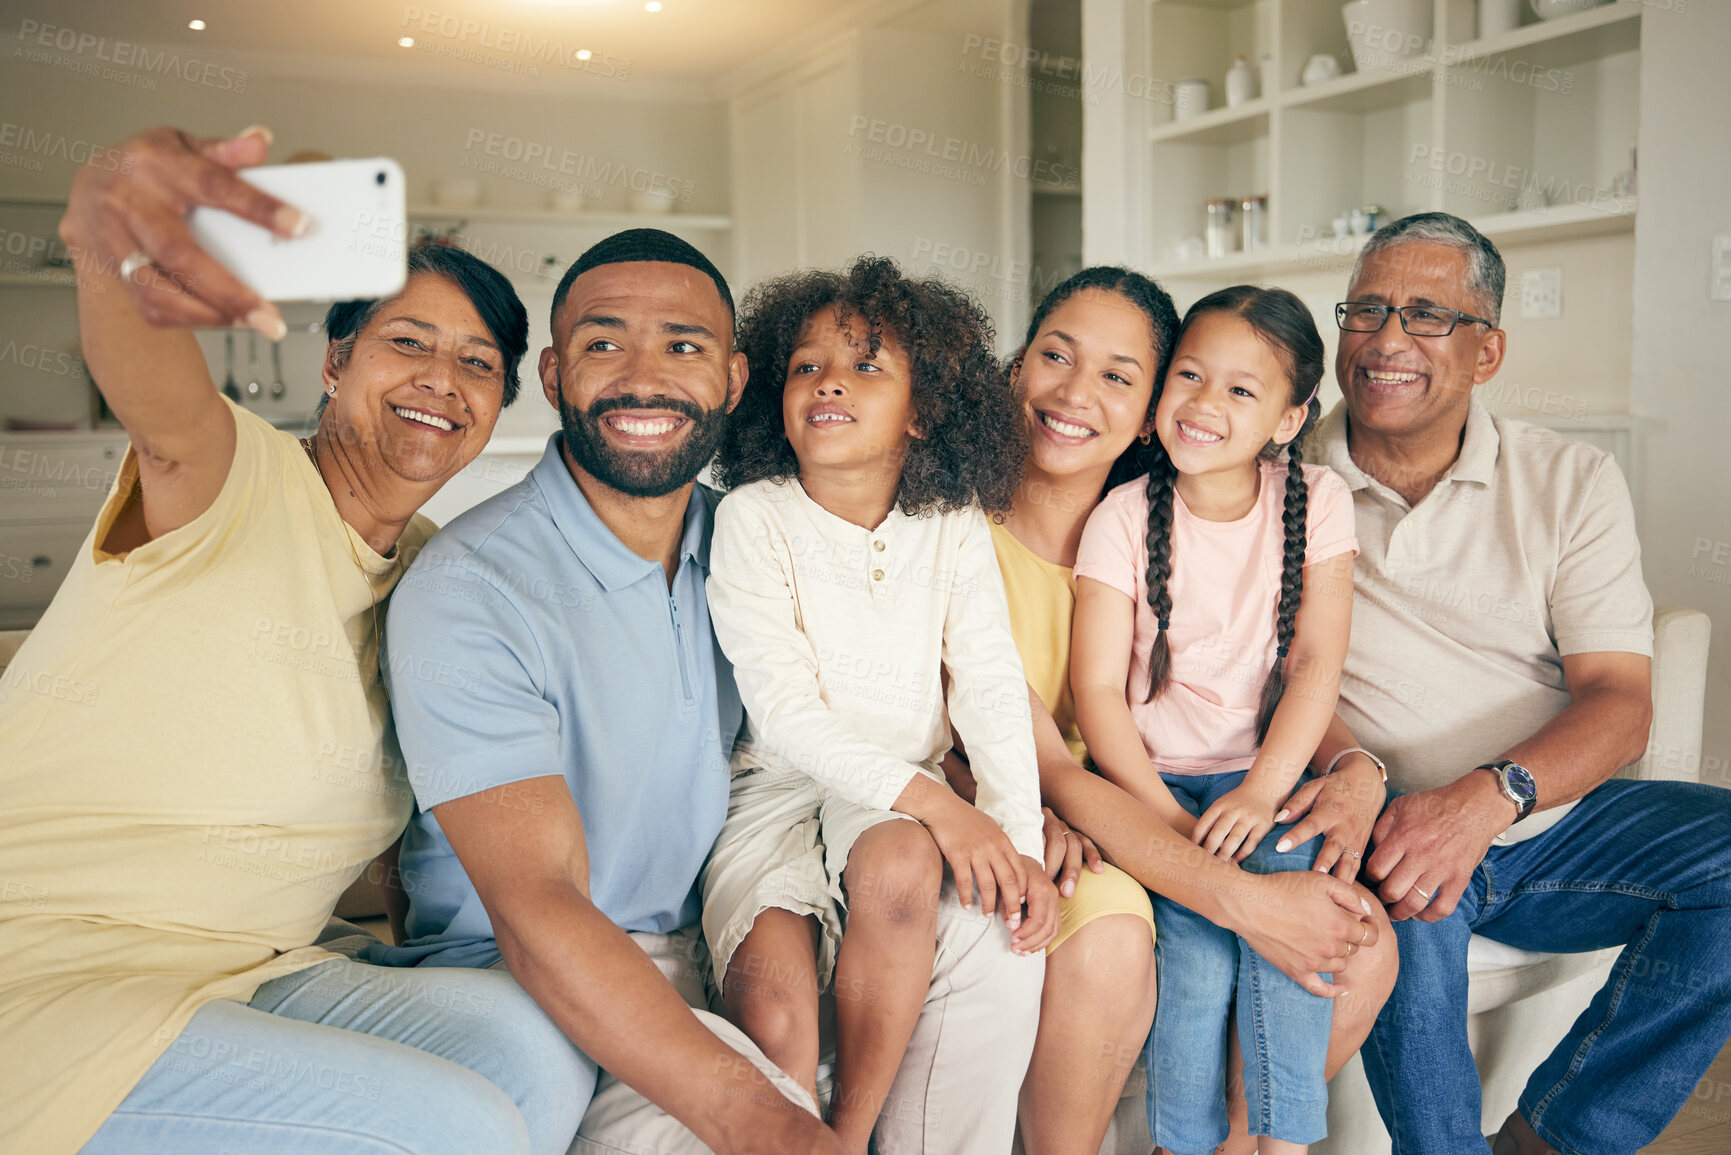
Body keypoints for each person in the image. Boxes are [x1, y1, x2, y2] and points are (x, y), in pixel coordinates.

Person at [0, 125, 585, 1155]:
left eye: (477, 363)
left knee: (535, 1045)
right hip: (56, 965)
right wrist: (109, 226)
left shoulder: (445, 574)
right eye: (408, 342)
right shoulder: (230, 475)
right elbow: (151, 382)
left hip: (261, 964)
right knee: (458, 1128)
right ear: (332, 362)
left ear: (498, 404)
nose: (442, 379)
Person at [945, 267, 1396, 1155]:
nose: (1076, 393)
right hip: (1088, 800)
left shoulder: (1222, 510)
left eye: (1118, 374)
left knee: (1365, 943)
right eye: (1054, 356)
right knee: (1142, 940)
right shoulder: (959, 540)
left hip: (1186, 797)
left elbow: (1278, 670)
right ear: (1015, 366)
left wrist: (1354, 769)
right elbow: (1046, 760)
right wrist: (1230, 889)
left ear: (1145, 402)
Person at [1311, 211, 1731, 1154]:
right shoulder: (1279, 479)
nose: (1385, 340)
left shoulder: (1568, 479)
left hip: (1549, 822)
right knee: (1408, 896)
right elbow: (1257, 679)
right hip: (1380, 824)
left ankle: (1553, 1140)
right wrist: (1381, 787)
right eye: (1366, 309)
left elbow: (1621, 704)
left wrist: (1486, 798)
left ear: (1485, 351)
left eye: (1425, 315)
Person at [700, 256, 1052, 1153]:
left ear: (924, 408)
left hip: (890, 801)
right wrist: (942, 805)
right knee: (776, 1016)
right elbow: (779, 710)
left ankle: (848, 1137)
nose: (827, 382)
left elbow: (988, 684)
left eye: (866, 366)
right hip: (777, 790)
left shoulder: (954, 525)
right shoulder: (753, 516)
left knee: (899, 862)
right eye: (806, 365)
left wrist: (1017, 844)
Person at [1069, 285, 1357, 1155]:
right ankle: (1179, 1146)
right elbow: (1094, 694)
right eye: (1189, 375)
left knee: (1292, 948)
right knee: (1192, 962)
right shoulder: (1120, 516)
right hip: (1150, 787)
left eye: (1241, 389)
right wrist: (1166, 820)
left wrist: (1265, 793)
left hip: (1266, 785)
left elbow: (1315, 664)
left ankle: (1284, 1143)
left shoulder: (1317, 497)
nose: (1203, 402)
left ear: (1287, 415)